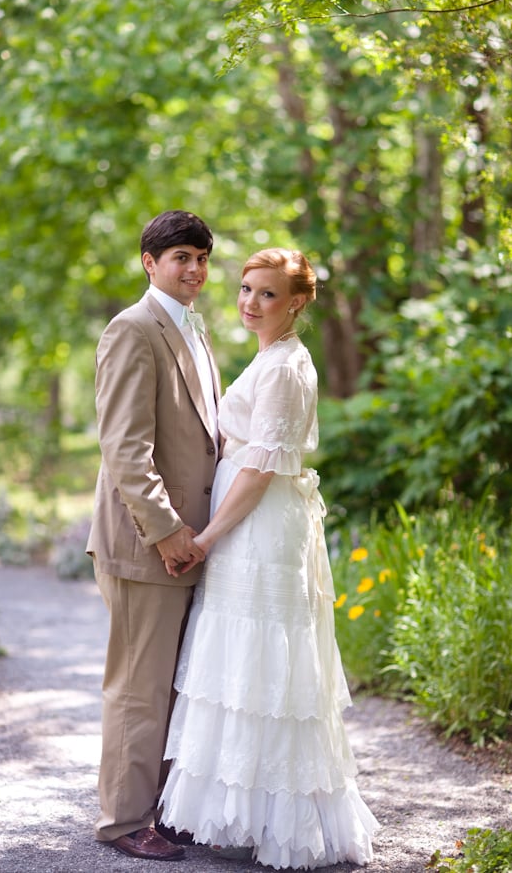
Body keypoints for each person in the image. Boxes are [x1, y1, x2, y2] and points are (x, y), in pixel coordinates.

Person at [159, 247, 380, 869]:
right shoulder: (270, 356)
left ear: (298, 303)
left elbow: (258, 469)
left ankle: (276, 818)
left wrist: (205, 539)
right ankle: (236, 811)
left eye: (268, 295)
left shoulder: (287, 367)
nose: (251, 303)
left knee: (263, 665)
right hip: (247, 523)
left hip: (259, 525)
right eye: (247, 289)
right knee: (241, 663)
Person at [86, 210, 220, 861]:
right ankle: (122, 822)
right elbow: (125, 450)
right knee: (139, 688)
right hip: (146, 544)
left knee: (170, 684)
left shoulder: (194, 328)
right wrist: (167, 532)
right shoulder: (132, 330)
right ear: (149, 262)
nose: (194, 269)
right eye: (181, 257)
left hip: (192, 541)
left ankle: (159, 813)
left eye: (201, 257)